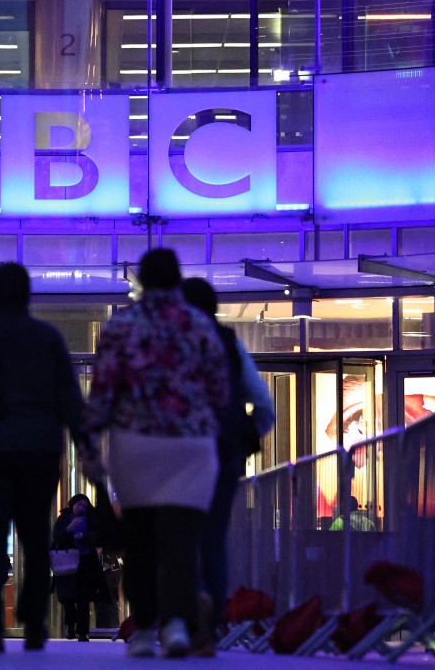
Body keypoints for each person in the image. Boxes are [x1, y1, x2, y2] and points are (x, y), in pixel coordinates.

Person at [81, 248, 228, 659]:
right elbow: (219, 388)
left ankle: (144, 628)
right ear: (178, 279)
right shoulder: (199, 325)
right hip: (190, 445)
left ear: (141, 281)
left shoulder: (120, 325)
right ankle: (178, 625)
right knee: (182, 540)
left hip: (135, 443)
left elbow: (104, 389)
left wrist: (91, 441)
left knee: (140, 540)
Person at [0, 261, 87, 652]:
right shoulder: (46, 338)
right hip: (39, 447)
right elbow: (69, 397)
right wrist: (85, 443)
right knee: (35, 536)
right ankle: (34, 620)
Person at [181, 276, 276, 653]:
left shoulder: (172, 344)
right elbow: (264, 405)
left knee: (179, 539)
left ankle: (183, 617)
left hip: (180, 454)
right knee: (214, 539)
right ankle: (213, 625)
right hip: (222, 453)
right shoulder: (229, 343)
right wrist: (247, 437)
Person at [52, 493, 112, 643]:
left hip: (86, 563)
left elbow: (99, 537)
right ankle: (70, 626)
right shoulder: (63, 519)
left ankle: (83, 632)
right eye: (79, 504)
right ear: (72, 504)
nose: (82, 508)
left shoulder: (91, 519)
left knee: (83, 598)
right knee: (68, 599)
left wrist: (84, 536)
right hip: (67, 562)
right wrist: (69, 529)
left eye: (85, 506)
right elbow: (57, 538)